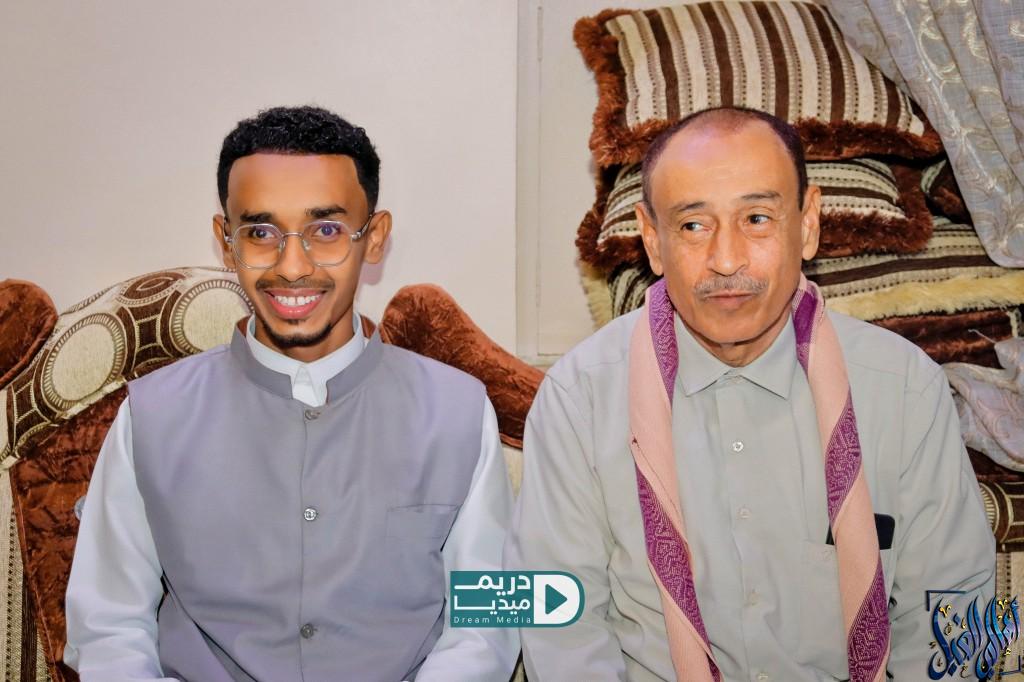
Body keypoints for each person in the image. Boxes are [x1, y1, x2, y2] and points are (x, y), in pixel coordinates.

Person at [506, 107, 994, 681]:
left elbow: (961, 614)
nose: (726, 260)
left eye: (757, 218)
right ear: (652, 240)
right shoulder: (579, 397)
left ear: (807, 223)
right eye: (693, 226)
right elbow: (556, 618)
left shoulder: (905, 388)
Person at [65, 105, 519, 681]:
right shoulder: (150, 417)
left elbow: (487, 627)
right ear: (226, 242)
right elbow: (107, 627)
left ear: (374, 238)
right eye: (260, 233)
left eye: (326, 230)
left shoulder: (458, 412)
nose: (293, 266)